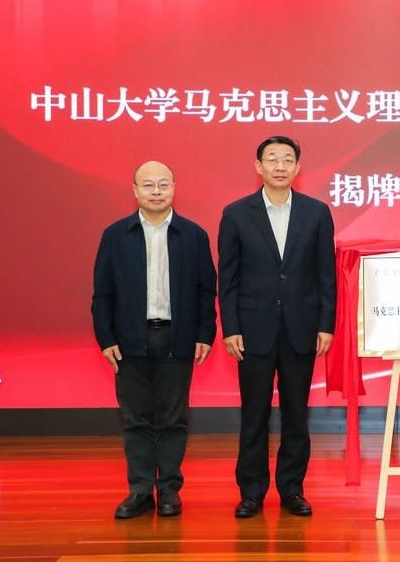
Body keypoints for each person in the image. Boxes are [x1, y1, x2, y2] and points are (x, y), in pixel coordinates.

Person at [218, 135, 337, 518]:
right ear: (259, 166)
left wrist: (326, 324)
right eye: (272, 159)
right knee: (253, 414)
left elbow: (326, 275)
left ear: (298, 168)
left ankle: (292, 489)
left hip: (302, 328)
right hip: (252, 330)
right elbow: (228, 278)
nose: (280, 166)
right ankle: (251, 492)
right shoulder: (237, 214)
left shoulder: (316, 213)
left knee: (296, 414)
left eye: (288, 159)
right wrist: (231, 327)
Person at [92, 160, 217, 519]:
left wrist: (205, 333)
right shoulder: (116, 235)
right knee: (136, 419)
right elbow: (103, 294)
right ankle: (140, 489)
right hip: (130, 339)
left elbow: (206, 290)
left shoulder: (193, 235)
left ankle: (169, 490)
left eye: (163, 184)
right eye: (148, 185)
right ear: (135, 191)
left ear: (174, 188)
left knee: (173, 419)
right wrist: (106, 338)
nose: (156, 191)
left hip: (178, 337)